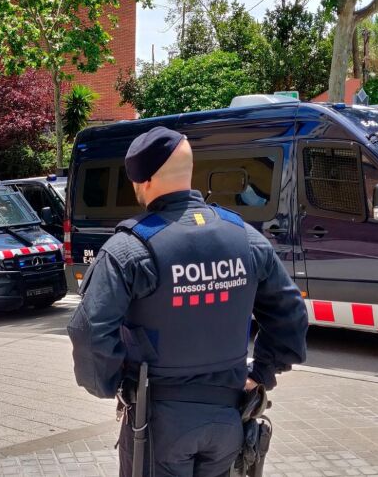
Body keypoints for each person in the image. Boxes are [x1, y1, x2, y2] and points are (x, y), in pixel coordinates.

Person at [68, 126, 308, 477]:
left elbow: (89, 329)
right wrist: (261, 375)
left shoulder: (130, 248)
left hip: (158, 422)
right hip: (228, 418)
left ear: (144, 181)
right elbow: (291, 313)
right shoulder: (245, 238)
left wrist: (111, 384)